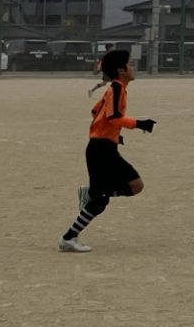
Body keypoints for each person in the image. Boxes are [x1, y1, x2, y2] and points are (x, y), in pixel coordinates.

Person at [61, 49, 155, 252]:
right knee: (103, 199)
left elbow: (96, 111)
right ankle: (68, 238)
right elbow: (112, 116)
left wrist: (112, 134)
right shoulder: (118, 88)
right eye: (130, 64)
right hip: (101, 150)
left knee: (135, 185)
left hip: (102, 147)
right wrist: (140, 123)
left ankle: (91, 195)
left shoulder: (115, 88)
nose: (133, 67)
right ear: (121, 70)